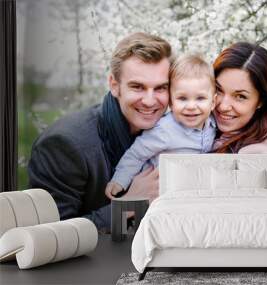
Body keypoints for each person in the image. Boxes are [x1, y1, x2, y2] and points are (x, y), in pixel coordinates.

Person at [28, 32, 172, 231]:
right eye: (137, 87)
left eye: (160, 88)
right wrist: (128, 204)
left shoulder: (169, 133)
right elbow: (50, 236)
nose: (149, 100)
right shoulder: (64, 144)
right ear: (114, 85)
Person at [105, 54, 217, 198]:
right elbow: (136, 155)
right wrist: (119, 181)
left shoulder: (212, 125)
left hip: (189, 191)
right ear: (171, 102)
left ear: (212, 103)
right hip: (158, 192)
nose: (191, 106)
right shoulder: (164, 130)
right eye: (182, 98)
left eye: (200, 98)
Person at [212, 42, 267, 153]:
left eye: (240, 96)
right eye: (218, 90)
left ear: (261, 101)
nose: (223, 106)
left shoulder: (255, 153)